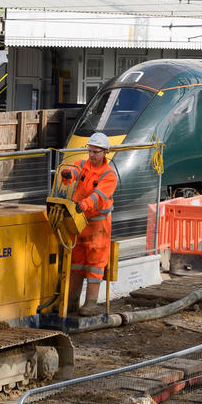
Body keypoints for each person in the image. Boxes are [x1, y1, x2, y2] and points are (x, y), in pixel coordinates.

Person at [59, 131, 118, 316]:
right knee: (76, 261)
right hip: (79, 221)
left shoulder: (109, 175)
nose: (91, 155)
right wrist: (68, 174)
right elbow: (75, 171)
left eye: (96, 152)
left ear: (104, 153)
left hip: (98, 225)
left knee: (95, 263)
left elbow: (98, 197)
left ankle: (91, 303)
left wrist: (83, 205)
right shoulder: (84, 165)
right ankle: (72, 301)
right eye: (90, 151)